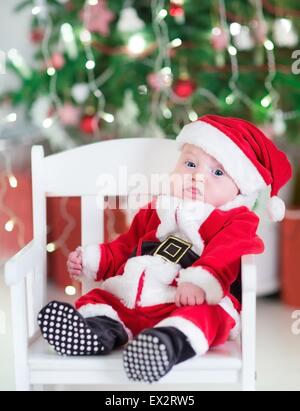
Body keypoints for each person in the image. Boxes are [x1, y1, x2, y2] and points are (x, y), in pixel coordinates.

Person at [38, 114, 292, 383]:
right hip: (132, 294)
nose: (197, 178)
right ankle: (90, 333)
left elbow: (227, 253)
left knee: (208, 317)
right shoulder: (158, 207)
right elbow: (126, 244)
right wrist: (94, 259)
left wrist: (200, 281)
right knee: (101, 300)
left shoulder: (235, 219)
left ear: (240, 189)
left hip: (184, 301)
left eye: (217, 172)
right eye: (191, 164)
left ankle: (164, 346)